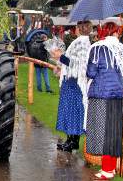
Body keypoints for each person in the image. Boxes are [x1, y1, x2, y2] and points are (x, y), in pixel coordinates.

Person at [85, 22, 123, 180]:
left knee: (102, 132)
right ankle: (110, 168)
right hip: (117, 96)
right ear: (116, 33)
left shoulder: (98, 48)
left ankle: (106, 170)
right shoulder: (122, 50)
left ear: (104, 31)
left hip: (101, 94)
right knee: (113, 131)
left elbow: (91, 72)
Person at [50, 21, 92, 153]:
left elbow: (78, 64)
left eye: (77, 27)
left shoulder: (82, 43)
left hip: (74, 83)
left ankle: (72, 142)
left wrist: (60, 57)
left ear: (79, 29)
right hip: (72, 82)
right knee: (72, 111)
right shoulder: (81, 42)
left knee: (72, 111)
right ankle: (71, 140)